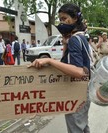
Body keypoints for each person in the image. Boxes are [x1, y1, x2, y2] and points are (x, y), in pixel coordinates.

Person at [30, 3, 91, 133]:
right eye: (60, 19)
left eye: (64, 18)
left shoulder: (75, 39)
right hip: (83, 91)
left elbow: (78, 71)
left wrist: (49, 60)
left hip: (75, 92)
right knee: (82, 126)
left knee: (76, 129)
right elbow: (67, 63)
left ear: (75, 18)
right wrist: (64, 44)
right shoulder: (80, 36)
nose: (61, 22)